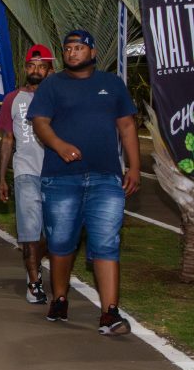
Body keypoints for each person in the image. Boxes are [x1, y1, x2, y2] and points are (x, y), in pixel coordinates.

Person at [27, 30, 140, 335]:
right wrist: (59, 145)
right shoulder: (51, 84)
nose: (72, 52)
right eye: (68, 48)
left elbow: (127, 125)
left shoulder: (112, 84)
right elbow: (40, 123)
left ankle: (110, 313)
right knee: (61, 242)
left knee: (106, 242)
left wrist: (134, 167)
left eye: (79, 48)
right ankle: (60, 297)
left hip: (106, 177)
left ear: (92, 53)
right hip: (61, 178)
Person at [0, 44, 55, 305]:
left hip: (57, 174)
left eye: (41, 67)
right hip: (25, 171)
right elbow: (8, 140)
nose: (35, 71)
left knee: (56, 235)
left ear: (50, 70)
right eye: (31, 66)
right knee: (30, 232)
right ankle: (34, 283)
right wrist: (1, 178)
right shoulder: (13, 98)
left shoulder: (60, 97)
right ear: (25, 68)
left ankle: (37, 264)